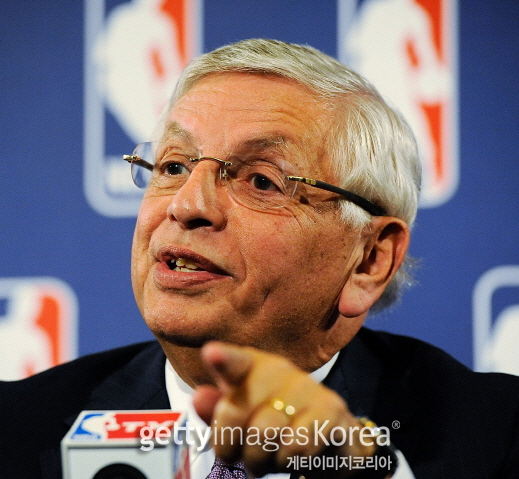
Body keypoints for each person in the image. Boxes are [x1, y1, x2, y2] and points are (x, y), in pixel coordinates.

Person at [1, 39, 518, 479]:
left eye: (262, 181)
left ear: (369, 259)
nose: (187, 205)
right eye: (173, 166)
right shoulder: (16, 429)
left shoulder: (496, 434)